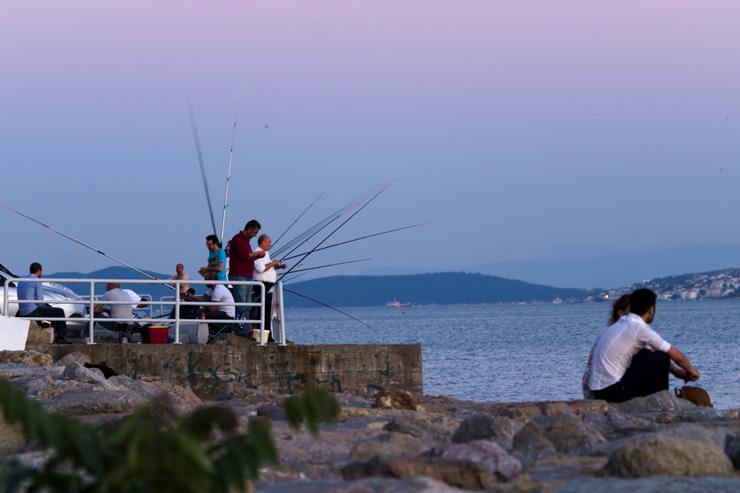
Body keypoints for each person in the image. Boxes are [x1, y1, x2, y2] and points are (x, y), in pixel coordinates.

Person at [588, 288, 701, 403]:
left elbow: (654, 352)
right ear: (651, 309)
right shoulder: (639, 328)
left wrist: (679, 373)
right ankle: (661, 402)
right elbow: (676, 356)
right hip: (612, 392)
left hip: (597, 392)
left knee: (652, 354)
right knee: (661, 357)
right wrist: (691, 370)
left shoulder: (621, 323)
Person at [582, 295, 630, 398]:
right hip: (601, 389)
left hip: (590, 385)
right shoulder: (621, 332)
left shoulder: (608, 330)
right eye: (631, 311)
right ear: (620, 313)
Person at [16, 262, 69, 343]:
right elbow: (40, 300)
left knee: (48, 310)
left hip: (22, 312)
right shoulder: (36, 280)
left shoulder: (21, 280)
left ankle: (48, 327)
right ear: (39, 271)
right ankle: (61, 337)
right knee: (59, 311)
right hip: (32, 312)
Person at [227, 220, 266, 325]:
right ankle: (241, 328)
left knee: (247, 304)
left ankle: (245, 327)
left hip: (246, 276)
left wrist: (255, 255)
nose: (255, 236)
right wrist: (257, 254)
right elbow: (245, 255)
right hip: (239, 276)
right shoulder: (238, 239)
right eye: (254, 233)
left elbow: (246, 258)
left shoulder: (245, 242)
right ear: (249, 229)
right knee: (241, 303)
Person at [252, 234, 286, 341]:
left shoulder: (266, 254)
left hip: (268, 286)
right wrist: (272, 263)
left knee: (267, 311)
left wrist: (277, 266)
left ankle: (267, 333)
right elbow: (261, 269)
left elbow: (268, 268)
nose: (270, 244)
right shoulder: (256, 253)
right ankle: (263, 333)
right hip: (262, 285)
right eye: (269, 242)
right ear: (262, 242)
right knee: (263, 310)